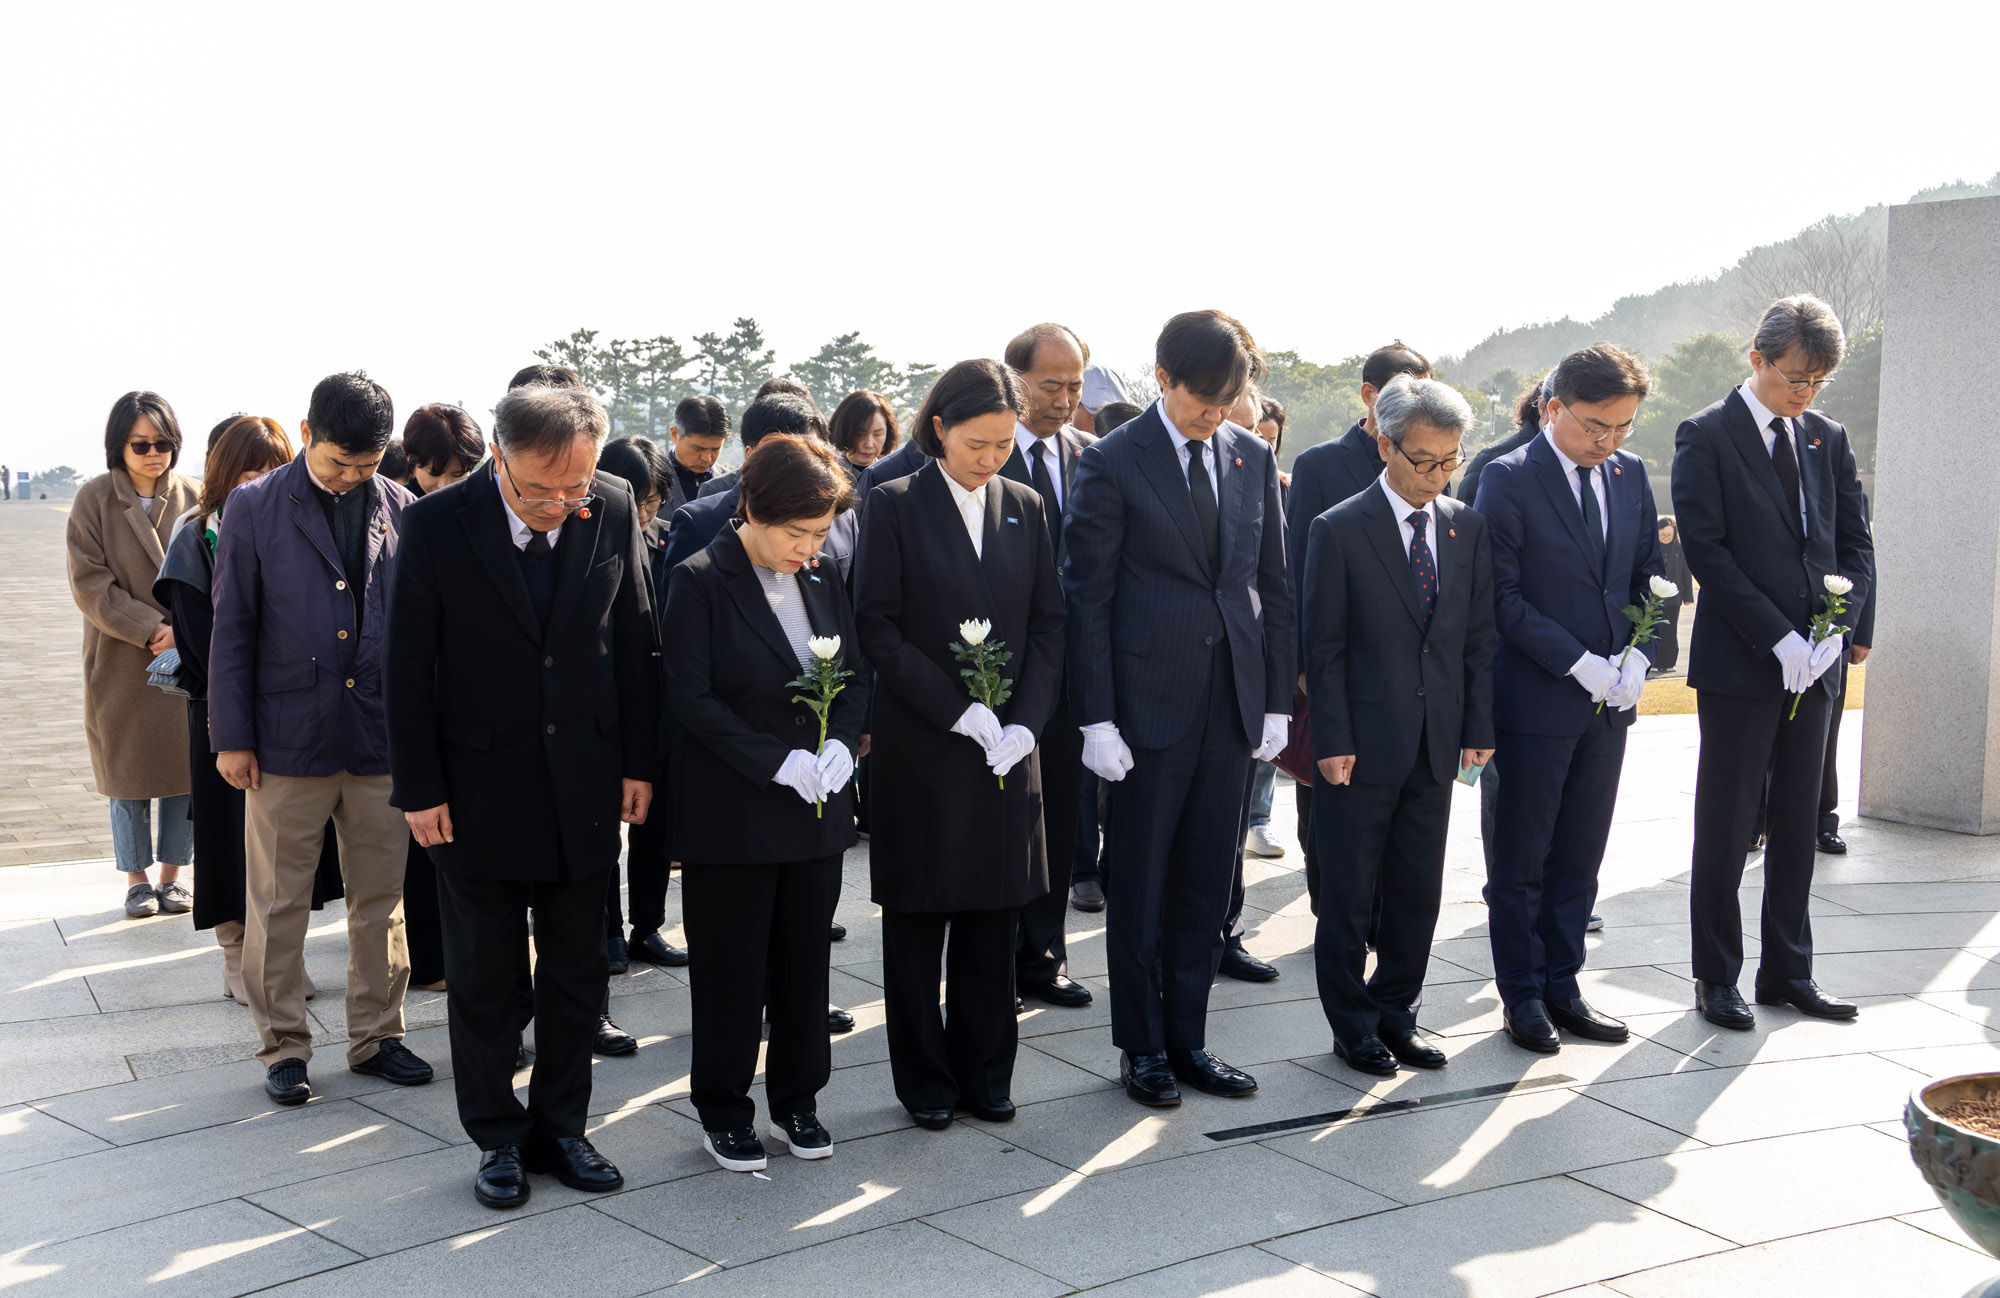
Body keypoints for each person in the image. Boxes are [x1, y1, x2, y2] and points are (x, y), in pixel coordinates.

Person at [387, 381, 659, 1209]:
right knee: (483, 975)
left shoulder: (610, 506)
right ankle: (497, 1139)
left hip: (581, 780)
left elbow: (637, 639)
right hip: (474, 789)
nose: (560, 504)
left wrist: (640, 763)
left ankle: (564, 1128)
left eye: (574, 487)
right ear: (499, 456)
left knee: (580, 969)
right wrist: (420, 786)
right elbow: (406, 665)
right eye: (541, 488)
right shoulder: (436, 522)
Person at [1065, 310, 1292, 1107]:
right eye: (1203, 398)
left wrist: (1273, 701)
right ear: (1163, 380)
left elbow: (1273, 585)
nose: (1215, 413)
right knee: (1141, 883)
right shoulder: (1114, 462)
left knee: (1206, 887)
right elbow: (1086, 598)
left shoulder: (1252, 457)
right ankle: (1141, 1048)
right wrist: (1095, 716)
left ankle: (1190, 1039)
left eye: (1229, 399)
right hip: (1144, 713)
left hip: (1230, 707)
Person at [209, 371, 432, 1106]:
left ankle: (379, 1035)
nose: (352, 477)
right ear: (306, 436)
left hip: (376, 737)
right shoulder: (253, 506)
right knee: (276, 902)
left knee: (383, 896)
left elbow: (420, 637)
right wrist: (232, 737)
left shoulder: (402, 507)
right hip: (285, 738)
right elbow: (232, 628)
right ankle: (283, 1045)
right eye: (339, 462)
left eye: (366, 464)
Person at [856, 358, 1064, 1125]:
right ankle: (925, 1080)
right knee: (917, 925)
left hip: (1008, 750)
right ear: (939, 428)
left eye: (1004, 444)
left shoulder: (1027, 506)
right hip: (926, 743)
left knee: (993, 916)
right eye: (977, 443)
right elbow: (876, 624)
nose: (991, 458)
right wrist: (957, 711)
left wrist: (1024, 721)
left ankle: (987, 1072)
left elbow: (1049, 624)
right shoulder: (895, 504)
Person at [662, 433, 867, 1173]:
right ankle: (724, 1108)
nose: (808, 547)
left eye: (820, 533)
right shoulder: (700, 577)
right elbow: (690, 696)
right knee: (731, 970)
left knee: (804, 962)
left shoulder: (824, 574)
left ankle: (798, 1100)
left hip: (815, 808)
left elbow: (854, 671)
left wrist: (844, 738)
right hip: (735, 810)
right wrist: (774, 760)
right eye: (796, 533)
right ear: (752, 508)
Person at [1671, 294, 1873, 1030]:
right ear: (1757, 358)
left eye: (1817, 381)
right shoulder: (1706, 435)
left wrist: (1837, 630)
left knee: (1797, 822)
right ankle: (1715, 976)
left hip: (1818, 664)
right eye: (1794, 377)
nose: (1805, 392)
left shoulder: (1826, 436)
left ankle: (1788, 971)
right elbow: (1709, 553)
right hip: (1743, 663)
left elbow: (1854, 544)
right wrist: (1777, 637)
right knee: (1725, 826)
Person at [1303, 373, 1495, 1078]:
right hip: (1359, 748)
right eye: (1423, 461)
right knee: (1349, 899)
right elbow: (1321, 648)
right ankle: (1351, 1026)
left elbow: (1476, 638)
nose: (1437, 476)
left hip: (1436, 743)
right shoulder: (1340, 528)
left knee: (1417, 893)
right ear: (1385, 445)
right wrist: (1334, 739)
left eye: (1451, 461)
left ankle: (1398, 1014)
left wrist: (1478, 725)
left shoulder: (1465, 526)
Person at [1476, 344, 1662, 1053]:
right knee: (1522, 859)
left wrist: (1641, 654)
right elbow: (1503, 596)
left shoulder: (1631, 475)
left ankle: (1564, 983)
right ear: (1553, 408)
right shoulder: (1509, 478)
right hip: (1535, 700)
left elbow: (1652, 573)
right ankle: (1521, 994)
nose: (1608, 441)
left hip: (1611, 701)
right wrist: (1580, 663)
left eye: (1622, 427)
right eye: (1594, 425)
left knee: (1581, 853)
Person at [155, 416, 344, 1002]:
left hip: (295, 716)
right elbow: (204, 642)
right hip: (225, 712)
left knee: (291, 849)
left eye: (270, 468)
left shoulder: (303, 523)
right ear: (222, 472)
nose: (258, 481)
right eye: (247, 470)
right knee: (229, 839)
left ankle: (283, 957)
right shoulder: (195, 537)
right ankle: (237, 954)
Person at [1284, 342, 1432, 911]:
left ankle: (1381, 911)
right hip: (1336, 660)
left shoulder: (1433, 466)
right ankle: (1334, 906)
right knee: (1325, 791)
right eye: (1398, 393)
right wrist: (1301, 665)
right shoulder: (1324, 464)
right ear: (1369, 396)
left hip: (1406, 671)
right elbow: (1296, 568)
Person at [68, 392, 200, 919]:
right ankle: (135, 878)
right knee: (125, 775)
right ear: (118, 445)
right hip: (121, 659)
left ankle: (173, 876)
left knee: (183, 773)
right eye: (140, 444)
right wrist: (151, 629)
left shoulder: (195, 495)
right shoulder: (94, 499)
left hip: (186, 656)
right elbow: (90, 584)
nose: (153, 454)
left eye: (163, 443)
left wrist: (183, 631)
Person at [993, 324, 1095, 1010]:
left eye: (1076, 386)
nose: (1063, 400)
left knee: (1061, 816)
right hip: (994, 675)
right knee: (1000, 822)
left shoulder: (1094, 458)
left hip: (1072, 673)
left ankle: (1045, 952)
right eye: (1050, 385)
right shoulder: (981, 455)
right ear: (1015, 378)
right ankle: (992, 958)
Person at [594, 435, 691, 974]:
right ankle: (606, 929)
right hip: (606, 706)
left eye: (653, 503)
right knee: (605, 827)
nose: (644, 513)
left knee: (656, 824)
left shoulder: (666, 541)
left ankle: (647, 926)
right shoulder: (589, 541)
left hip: (661, 704)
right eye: (637, 501)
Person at [1243, 393, 1289, 855]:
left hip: (1259, 635)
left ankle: (1259, 819)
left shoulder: (1278, 482)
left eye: (1266, 437)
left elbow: (1281, 579)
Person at [1818, 571, 1874, 853]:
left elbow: (1862, 558)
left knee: (1826, 737)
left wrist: (1861, 633)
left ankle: (1822, 822)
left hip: (1834, 636)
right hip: (1775, 629)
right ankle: (1759, 820)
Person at [401, 403, 485, 497]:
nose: (444, 486)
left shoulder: (483, 504)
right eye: (434, 474)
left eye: (456, 474)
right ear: (410, 459)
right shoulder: (395, 506)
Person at [666, 395, 730, 516]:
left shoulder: (731, 485)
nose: (707, 458)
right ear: (675, 434)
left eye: (715, 449)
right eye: (698, 448)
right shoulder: (652, 480)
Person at [827, 390, 900, 479]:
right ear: (843, 431)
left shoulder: (893, 477)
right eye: (860, 434)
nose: (869, 444)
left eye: (878, 434)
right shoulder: (827, 476)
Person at [1652, 514, 1692, 674]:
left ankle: (1669, 662)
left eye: (1669, 535)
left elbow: (1686, 573)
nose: (1666, 538)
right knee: (1655, 629)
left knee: (1670, 630)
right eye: (1662, 535)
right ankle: (1655, 661)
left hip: (1674, 598)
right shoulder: (1651, 548)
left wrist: (1688, 596)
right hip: (1654, 597)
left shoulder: (1680, 549)